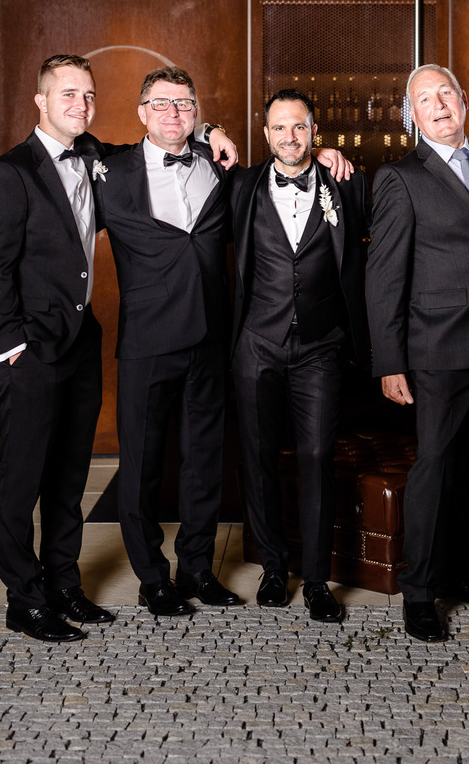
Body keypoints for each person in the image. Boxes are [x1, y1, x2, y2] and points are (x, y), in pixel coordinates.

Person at [95, 68, 350, 617]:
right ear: (141, 112)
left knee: (205, 462)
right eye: (161, 105)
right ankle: (153, 578)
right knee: (142, 467)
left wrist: (217, 133)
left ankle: (197, 569)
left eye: (185, 106)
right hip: (149, 340)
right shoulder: (111, 171)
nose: (173, 115)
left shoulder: (223, 169)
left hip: (213, 342)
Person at [365, 64, 469, 643]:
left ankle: (456, 574)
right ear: (412, 115)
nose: (437, 105)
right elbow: (383, 278)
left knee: (464, 467)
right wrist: (389, 361)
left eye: (445, 94)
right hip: (435, 346)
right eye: (423, 99)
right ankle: (419, 592)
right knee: (434, 468)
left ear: (463, 99)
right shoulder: (400, 178)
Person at [0, 54, 114, 641]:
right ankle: (24, 600)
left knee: (69, 475)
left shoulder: (95, 156)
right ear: (41, 100)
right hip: (29, 350)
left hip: (81, 344)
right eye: (68, 95)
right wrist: (11, 348)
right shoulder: (10, 173)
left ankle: (63, 585)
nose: (80, 105)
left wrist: (210, 135)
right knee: (22, 478)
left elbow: (154, 153)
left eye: (87, 95)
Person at [230, 89, 369, 623]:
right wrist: (212, 130)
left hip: (321, 346)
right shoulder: (241, 186)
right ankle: (272, 567)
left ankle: (315, 580)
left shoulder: (346, 183)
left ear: (314, 132)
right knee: (259, 458)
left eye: (299, 128)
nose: (290, 137)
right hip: (256, 343)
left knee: (316, 458)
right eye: (279, 129)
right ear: (265, 135)